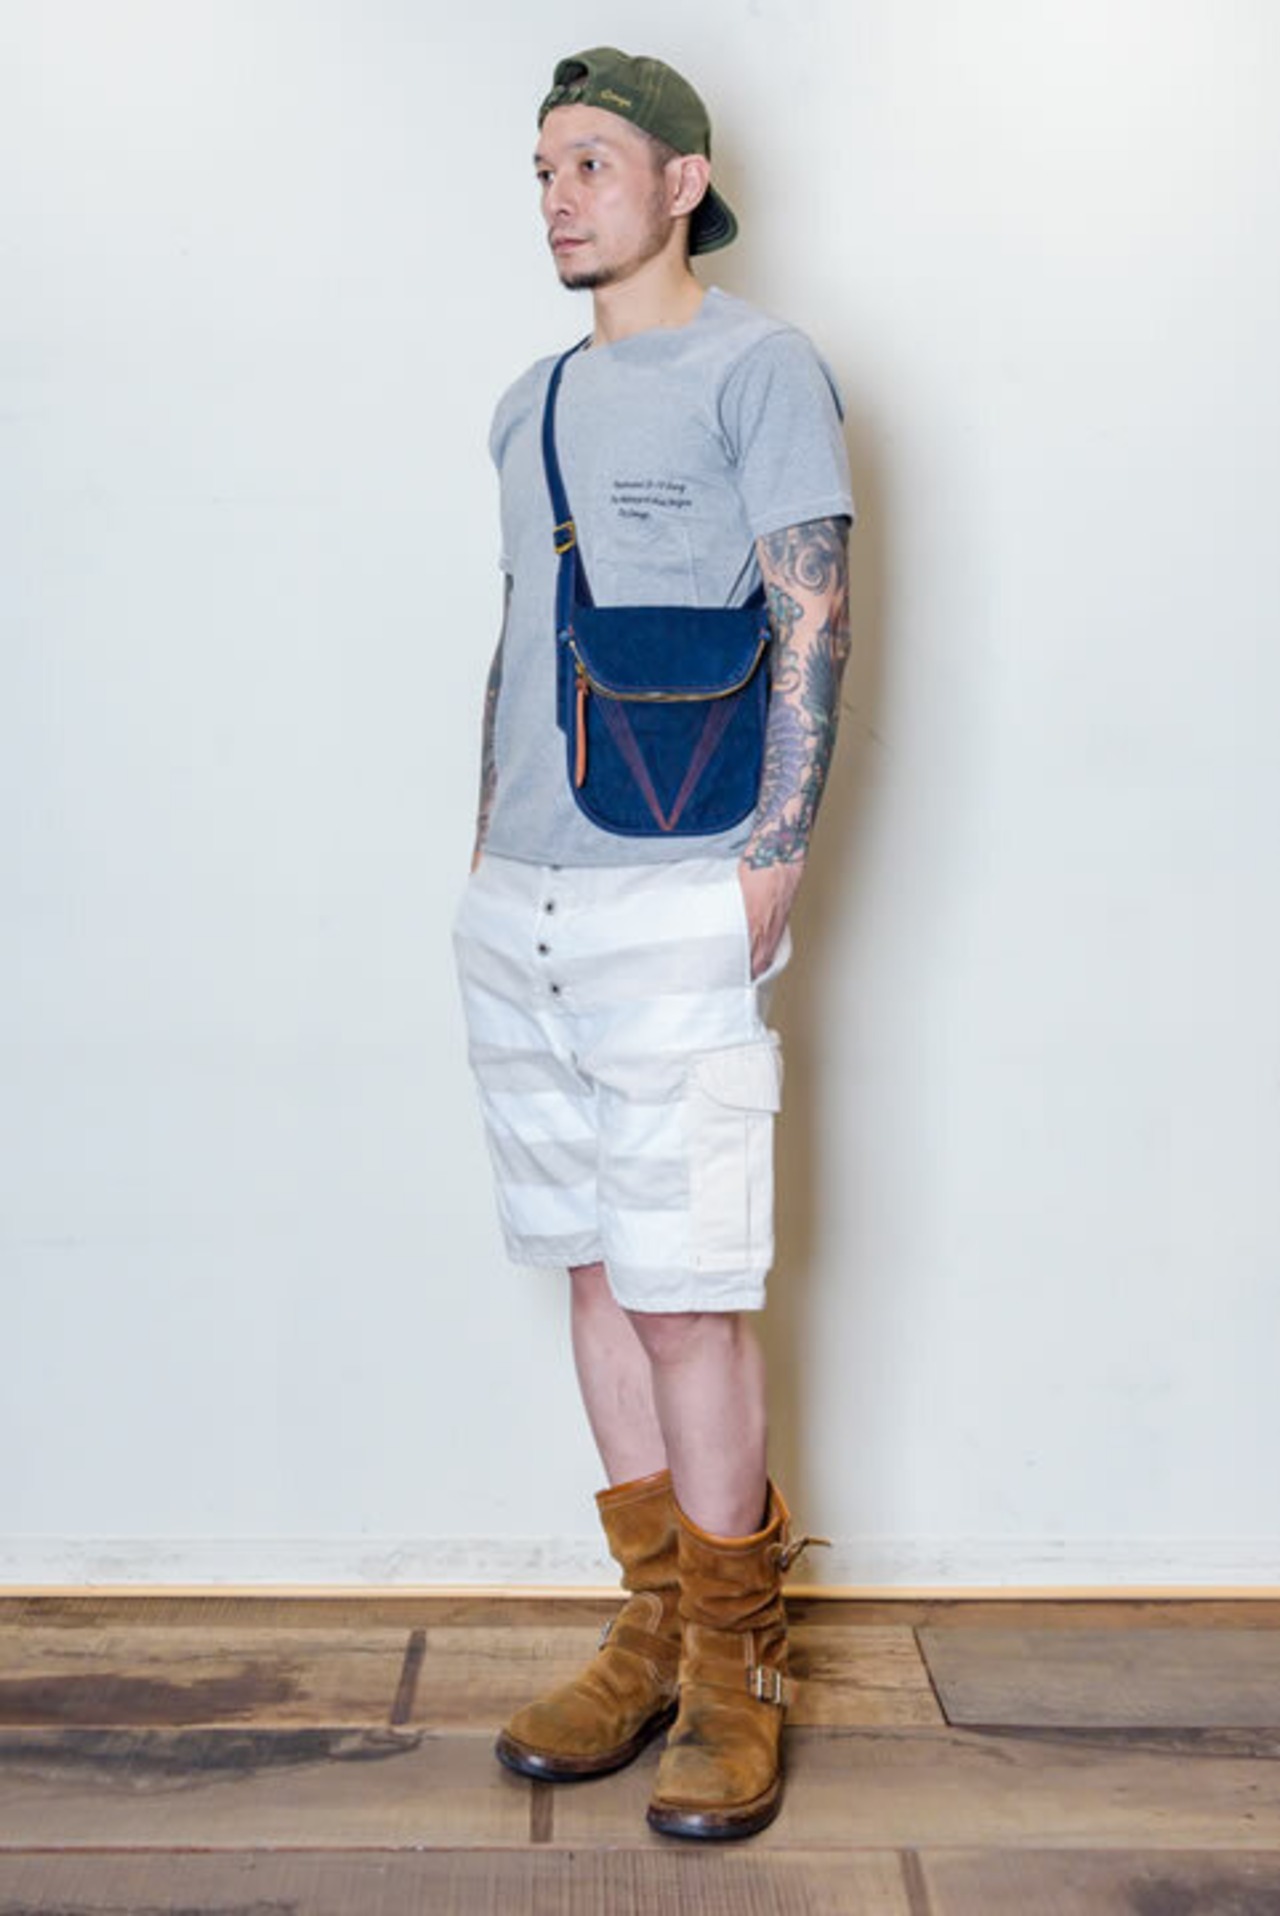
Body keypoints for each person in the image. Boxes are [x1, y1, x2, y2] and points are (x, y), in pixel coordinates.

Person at [452, 47, 854, 1841]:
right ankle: (647, 1632)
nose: (558, 196)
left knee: (688, 1289)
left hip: (678, 885)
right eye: (543, 167)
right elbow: (519, 628)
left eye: (593, 163)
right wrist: (482, 840)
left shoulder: (761, 368)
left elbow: (814, 603)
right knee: (598, 1273)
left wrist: (774, 854)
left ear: (682, 183)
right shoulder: (527, 399)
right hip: (520, 903)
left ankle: (733, 1663)